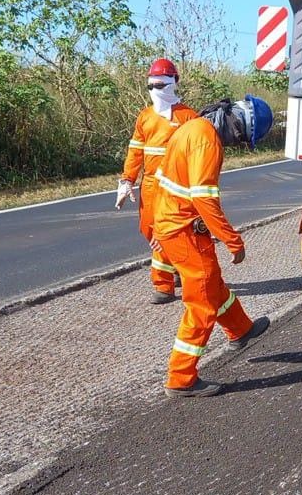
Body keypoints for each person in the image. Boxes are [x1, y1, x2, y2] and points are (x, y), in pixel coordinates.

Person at [152, 95, 275, 397]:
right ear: (237, 124)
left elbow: (161, 181)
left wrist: (156, 224)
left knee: (213, 284)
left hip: (173, 226)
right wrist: (233, 240)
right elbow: (204, 199)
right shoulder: (207, 141)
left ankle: (240, 329)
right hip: (184, 233)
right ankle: (181, 379)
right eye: (242, 137)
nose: (238, 143)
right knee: (203, 303)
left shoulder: (192, 127)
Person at [116, 58, 198, 303]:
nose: (156, 91)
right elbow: (135, 151)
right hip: (150, 185)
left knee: (166, 233)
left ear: (175, 83)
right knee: (149, 229)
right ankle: (176, 267)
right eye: (151, 86)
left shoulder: (188, 117)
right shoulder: (145, 117)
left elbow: (197, 154)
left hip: (175, 187)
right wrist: (127, 180)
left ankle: (163, 287)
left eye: (161, 85)